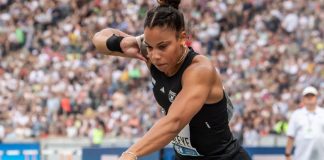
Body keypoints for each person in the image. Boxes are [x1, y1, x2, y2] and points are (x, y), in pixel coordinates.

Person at [92, 0, 250, 159]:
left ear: (182, 38)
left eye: (162, 47)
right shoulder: (150, 54)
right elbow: (98, 39)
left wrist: (131, 153)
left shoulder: (199, 70)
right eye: (150, 47)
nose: (155, 56)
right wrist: (122, 42)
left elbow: (174, 122)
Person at [285, 86, 324, 160]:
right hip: (301, 156)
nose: (309, 98)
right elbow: (291, 136)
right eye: (307, 96)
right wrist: (287, 154)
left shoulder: (323, 113)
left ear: (316, 98)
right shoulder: (296, 114)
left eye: (312, 96)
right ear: (303, 99)